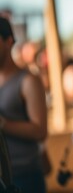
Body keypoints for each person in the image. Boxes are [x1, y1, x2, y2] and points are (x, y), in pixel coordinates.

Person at [0, 16, 48, 192]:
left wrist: (3, 124)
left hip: (25, 175)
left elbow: (40, 131)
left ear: (8, 41)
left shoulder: (28, 80)